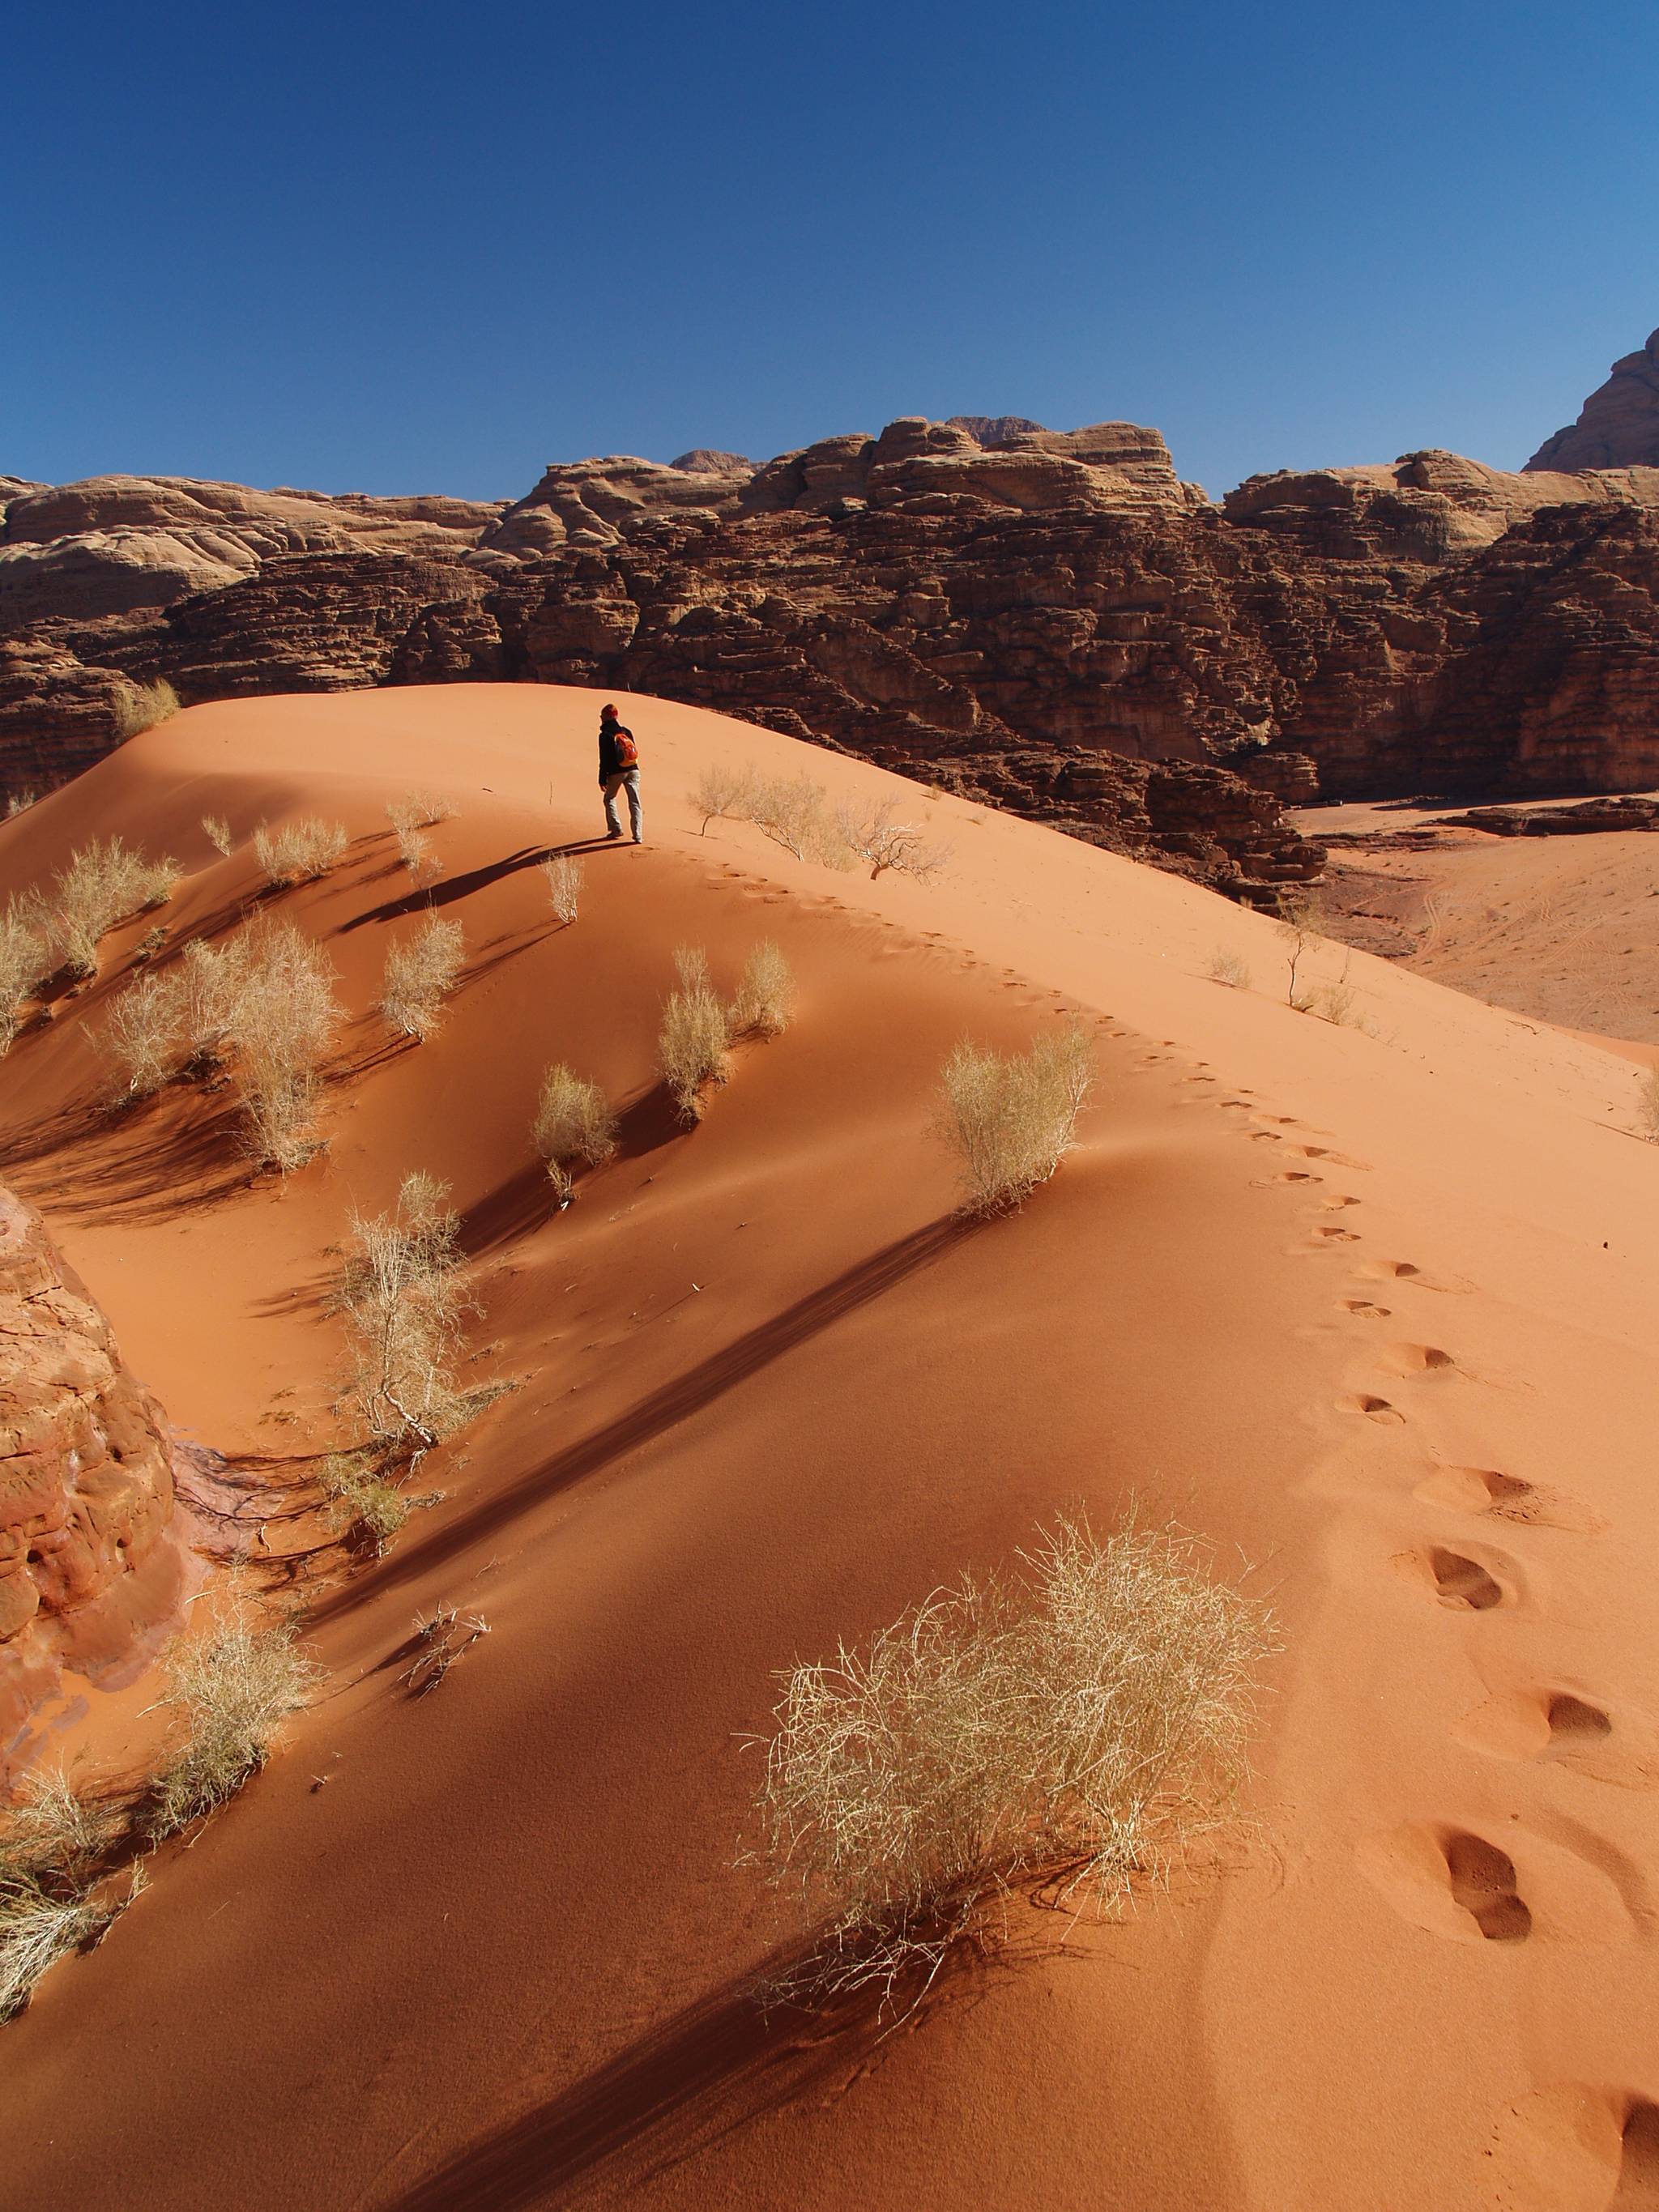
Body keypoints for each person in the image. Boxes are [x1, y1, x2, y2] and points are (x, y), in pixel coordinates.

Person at [597, 702, 642, 843]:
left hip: (616, 772)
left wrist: (602, 779)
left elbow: (604, 759)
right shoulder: (626, 731)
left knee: (609, 798)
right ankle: (638, 836)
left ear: (604, 718)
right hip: (633, 770)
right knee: (635, 803)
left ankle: (616, 829)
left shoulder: (605, 735)